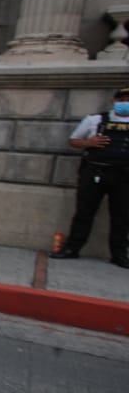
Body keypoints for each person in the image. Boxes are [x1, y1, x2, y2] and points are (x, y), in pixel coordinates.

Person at [51, 86, 129, 268]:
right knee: (84, 213)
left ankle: (119, 255)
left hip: (124, 176)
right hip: (95, 173)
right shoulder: (96, 120)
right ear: (114, 101)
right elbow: (73, 140)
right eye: (121, 99)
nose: (125, 102)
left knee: (122, 217)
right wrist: (89, 142)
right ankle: (72, 249)